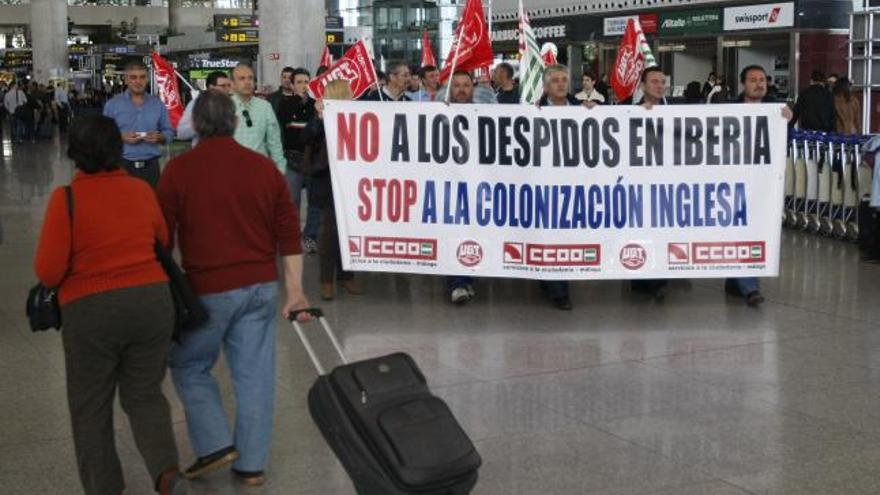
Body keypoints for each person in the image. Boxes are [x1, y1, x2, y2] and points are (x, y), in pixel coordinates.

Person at [156, 90, 310, 487]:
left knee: (189, 364)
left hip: (208, 288)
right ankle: (252, 466)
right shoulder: (262, 169)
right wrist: (295, 291)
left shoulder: (179, 170)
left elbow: (162, 238)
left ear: (197, 125)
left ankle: (214, 444)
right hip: (260, 287)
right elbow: (289, 234)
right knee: (256, 375)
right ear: (236, 121)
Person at [34, 115, 185, 495]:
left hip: (91, 311)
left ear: (74, 154)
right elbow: (162, 241)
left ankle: (106, 487)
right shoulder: (140, 191)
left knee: (91, 405)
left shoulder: (66, 199)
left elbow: (49, 272)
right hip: (151, 303)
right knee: (145, 395)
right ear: (117, 151)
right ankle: (168, 475)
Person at [725, 64, 793, 306]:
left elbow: (785, 142)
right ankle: (747, 286)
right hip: (732, 184)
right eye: (753, 80)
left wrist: (788, 120)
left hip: (762, 186)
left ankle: (741, 282)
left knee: (752, 231)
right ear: (743, 84)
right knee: (738, 230)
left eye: (762, 79)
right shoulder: (727, 110)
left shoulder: (777, 111)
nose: (759, 84)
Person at [301, 80, 364, 300]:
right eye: (349, 92)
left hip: (350, 181)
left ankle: (346, 277)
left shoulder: (355, 117)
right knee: (329, 233)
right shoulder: (319, 120)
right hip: (326, 182)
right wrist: (320, 117)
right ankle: (326, 281)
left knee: (348, 231)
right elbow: (307, 137)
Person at [535, 64, 579, 310]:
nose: (561, 84)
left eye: (564, 80)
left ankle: (551, 280)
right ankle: (558, 290)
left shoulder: (586, 110)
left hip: (576, 184)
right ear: (545, 86)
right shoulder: (533, 112)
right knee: (551, 234)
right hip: (545, 184)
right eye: (555, 81)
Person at [103, 61, 174, 187]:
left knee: (150, 203)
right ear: (126, 80)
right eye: (133, 77)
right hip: (122, 165)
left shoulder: (157, 104)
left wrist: (160, 137)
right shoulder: (112, 105)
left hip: (151, 167)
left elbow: (168, 131)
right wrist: (121, 137)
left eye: (142, 77)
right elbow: (103, 135)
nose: (138, 81)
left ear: (147, 79)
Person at [274, 67, 321, 254]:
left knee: (314, 202)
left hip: (314, 160)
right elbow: (288, 130)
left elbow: (317, 132)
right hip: (292, 159)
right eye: (299, 82)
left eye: (306, 82)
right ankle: (291, 238)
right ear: (292, 85)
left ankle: (310, 237)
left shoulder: (317, 104)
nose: (303, 85)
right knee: (291, 201)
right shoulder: (284, 105)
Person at [445, 71, 480, 304]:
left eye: (465, 85)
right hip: (448, 185)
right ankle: (456, 284)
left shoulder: (484, 114)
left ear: (472, 89)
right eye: (456, 85)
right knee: (453, 233)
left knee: (474, 233)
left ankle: (467, 279)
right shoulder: (440, 112)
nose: (461, 89)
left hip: (478, 185)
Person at [230, 63, 286, 173]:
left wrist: (280, 171)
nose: (247, 82)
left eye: (250, 78)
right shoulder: (224, 106)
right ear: (232, 84)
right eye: (242, 79)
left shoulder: (265, 106)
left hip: (259, 171)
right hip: (231, 172)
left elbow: (274, 143)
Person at [176, 70, 232, 145]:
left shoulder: (235, 104)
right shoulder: (196, 104)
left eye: (229, 86)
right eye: (223, 86)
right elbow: (181, 133)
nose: (227, 89)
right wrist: (202, 123)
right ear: (211, 87)